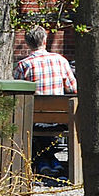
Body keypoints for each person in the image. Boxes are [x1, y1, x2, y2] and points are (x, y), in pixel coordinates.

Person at [14, 26, 77, 177]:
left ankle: (44, 164)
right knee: (48, 131)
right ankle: (52, 163)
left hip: (33, 118)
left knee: (35, 131)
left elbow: (17, 94)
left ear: (28, 43)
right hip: (60, 117)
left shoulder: (23, 65)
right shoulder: (60, 61)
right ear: (45, 40)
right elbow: (73, 89)